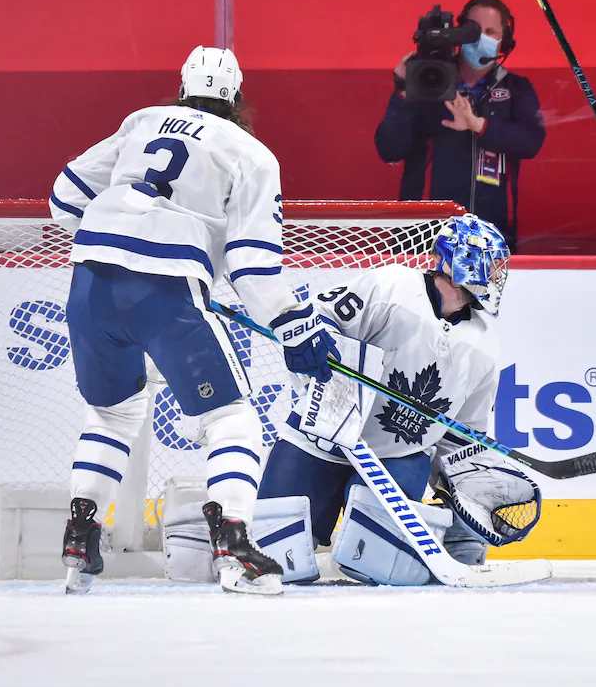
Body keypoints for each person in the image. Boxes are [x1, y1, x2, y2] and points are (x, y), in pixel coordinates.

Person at [48, 45, 338, 596]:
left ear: (181, 86)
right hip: (165, 290)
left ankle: (78, 541)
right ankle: (235, 550)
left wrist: (127, 243)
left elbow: (64, 198)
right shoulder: (252, 153)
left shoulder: (141, 122)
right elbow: (253, 265)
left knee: (112, 414)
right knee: (233, 419)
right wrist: (294, 322)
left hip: (90, 281)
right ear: (237, 97)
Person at [159, 215, 542, 587]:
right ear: (460, 261)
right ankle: (202, 529)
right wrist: (315, 341)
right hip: (319, 440)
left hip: (398, 458)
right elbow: (321, 315)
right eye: (490, 265)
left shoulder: (485, 346)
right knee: (278, 563)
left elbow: (464, 434)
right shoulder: (391, 286)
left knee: (380, 564)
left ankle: (454, 540)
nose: (495, 277)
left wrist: (458, 489)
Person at [375, 0, 546, 251]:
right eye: (474, 30)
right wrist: (405, 93)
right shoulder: (427, 81)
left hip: (490, 233)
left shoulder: (516, 88)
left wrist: (478, 125)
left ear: (504, 40)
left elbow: (531, 141)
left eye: (490, 32)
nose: (480, 38)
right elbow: (389, 149)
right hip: (422, 235)